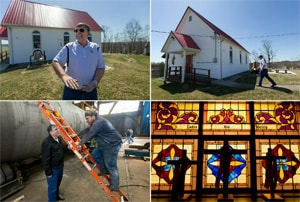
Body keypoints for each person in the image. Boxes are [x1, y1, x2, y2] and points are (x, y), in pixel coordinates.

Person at [52, 22, 105, 100]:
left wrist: (95, 82)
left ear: (88, 33)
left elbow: (101, 67)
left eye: (81, 30)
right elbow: (55, 62)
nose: (78, 32)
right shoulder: (69, 47)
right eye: (76, 30)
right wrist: (64, 76)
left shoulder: (96, 48)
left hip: (91, 92)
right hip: (70, 92)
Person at [77, 110, 123, 191]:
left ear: (93, 117)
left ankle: (114, 186)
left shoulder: (99, 123)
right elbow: (87, 129)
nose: (86, 120)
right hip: (104, 144)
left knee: (111, 166)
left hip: (112, 145)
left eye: (87, 118)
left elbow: (90, 135)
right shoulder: (95, 122)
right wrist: (77, 134)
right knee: (95, 155)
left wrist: (79, 144)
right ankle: (105, 170)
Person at [41, 125, 66, 201]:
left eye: (58, 129)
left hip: (60, 167)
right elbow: (45, 159)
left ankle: (57, 196)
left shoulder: (59, 139)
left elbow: (62, 150)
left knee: (57, 184)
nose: (58, 130)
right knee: (52, 188)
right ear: (50, 132)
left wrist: (68, 148)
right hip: (53, 169)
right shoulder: (46, 142)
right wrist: (48, 173)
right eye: (56, 129)